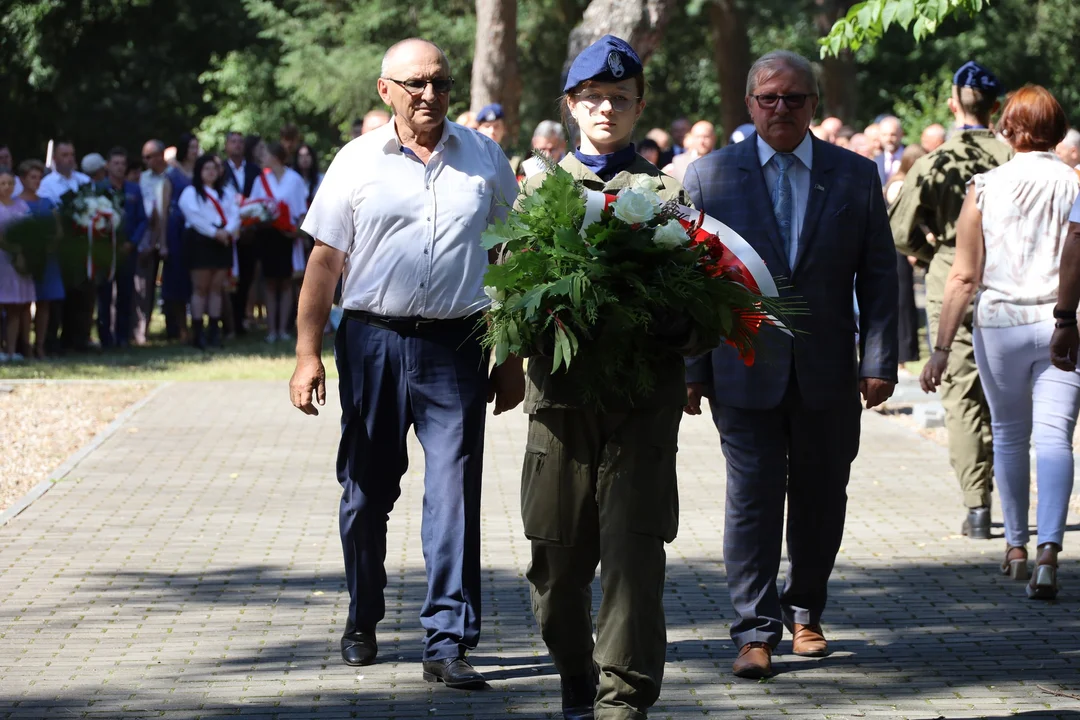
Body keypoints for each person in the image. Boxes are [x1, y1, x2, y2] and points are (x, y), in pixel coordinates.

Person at [289, 37, 522, 689]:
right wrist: (307, 355)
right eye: (415, 83)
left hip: (459, 344)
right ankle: (363, 615)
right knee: (367, 492)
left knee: (453, 493)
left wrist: (512, 356)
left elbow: (512, 255)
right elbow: (324, 265)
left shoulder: (485, 158)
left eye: (441, 82)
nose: (430, 94)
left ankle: (447, 639)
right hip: (372, 343)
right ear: (384, 89)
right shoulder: (357, 162)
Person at [683, 49, 898, 679]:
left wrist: (880, 358)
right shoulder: (709, 177)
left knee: (821, 497)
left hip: (830, 370)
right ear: (750, 104)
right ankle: (754, 630)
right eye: (769, 98)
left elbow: (880, 276)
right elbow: (692, 284)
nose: (781, 108)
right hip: (742, 370)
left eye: (794, 99)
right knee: (751, 501)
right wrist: (693, 372)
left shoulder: (854, 175)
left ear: (813, 106)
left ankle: (806, 611)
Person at [516, 34, 694, 720]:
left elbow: (709, 302)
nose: (606, 110)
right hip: (561, 412)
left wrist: (675, 325)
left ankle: (623, 703)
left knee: (633, 568)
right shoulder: (538, 192)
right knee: (555, 577)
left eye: (619, 99)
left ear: (639, 105)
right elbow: (504, 296)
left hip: (641, 411)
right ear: (570, 106)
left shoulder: (667, 194)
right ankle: (575, 676)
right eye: (592, 98)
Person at [921, 85, 1079, 601]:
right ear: (1056, 129)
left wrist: (941, 347)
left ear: (1008, 128)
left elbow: (963, 276)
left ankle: (1014, 546)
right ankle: (1049, 550)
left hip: (1000, 323)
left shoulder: (984, 186)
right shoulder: (1075, 184)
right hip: (1063, 321)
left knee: (1010, 434)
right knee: (1054, 438)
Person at [889, 61, 1012, 540]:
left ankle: (977, 507)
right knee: (1008, 394)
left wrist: (934, 251)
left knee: (961, 395)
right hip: (1008, 277)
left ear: (952, 105)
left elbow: (900, 230)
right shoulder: (1012, 157)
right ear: (998, 106)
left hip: (949, 274)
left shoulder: (935, 160)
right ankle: (1014, 503)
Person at [178, 153, 240, 349]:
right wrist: (215, 232)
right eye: (206, 168)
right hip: (200, 243)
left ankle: (214, 332)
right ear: (199, 171)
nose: (211, 172)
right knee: (200, 289)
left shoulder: (226, 192)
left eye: (214, 168)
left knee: (216, 289)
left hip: (221, 243)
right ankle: (198, 333)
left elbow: (235, 215)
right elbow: (194, 218)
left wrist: (227, 231)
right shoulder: (190, 192)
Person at [248, 142, 307, 342]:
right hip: (267, 235)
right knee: (270, 283)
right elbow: (254, 207)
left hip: (288, 237)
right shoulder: (260, 180)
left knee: (287, 283)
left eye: (265, 154)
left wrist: (297, 232)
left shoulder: (294, 179)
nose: (262, 157)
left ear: (275, 157)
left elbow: (301, 211)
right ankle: (271, 329)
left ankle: (284, 329)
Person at [884, 145, 929, 371]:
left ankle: (905, 354)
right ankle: (900, 356)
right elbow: (902, 223)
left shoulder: (901, 182)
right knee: (900, 302)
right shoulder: (898, 185)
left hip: (901, 250)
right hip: (897, 252)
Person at [98, 148, 147, 348]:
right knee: (104, 295)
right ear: (108, 166)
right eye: (115, 163)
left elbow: (143, 219)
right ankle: (105, 337)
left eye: (122, 163)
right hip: (105, 250)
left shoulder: (134, 190)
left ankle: (123, 336)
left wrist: (132, 242)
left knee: (126, 294)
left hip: (127, 249)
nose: (119, 167)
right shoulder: (98, 189)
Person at [17, 159, 63, 358]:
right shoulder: (15, 203)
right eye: (32, 177)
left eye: (39, 177)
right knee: (25, 303)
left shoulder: (47, 202)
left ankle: (41, 345)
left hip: (47, 258)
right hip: (24, 260)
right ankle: (26, 345)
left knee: (45, 302)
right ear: (23, 179)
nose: (36, 181)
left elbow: (58, 229)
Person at [162, 134, 197, 341]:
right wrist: (163, 241)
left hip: (198, 232)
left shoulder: (202, 171)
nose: (195, 150)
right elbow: (164, 208)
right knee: (177, 280)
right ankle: (181, 327)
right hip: (176, 231)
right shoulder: (171, 175)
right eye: (192, 147)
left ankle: (197, 325)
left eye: (196, 147)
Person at [134, 140, 170, 345]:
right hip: (142, 238)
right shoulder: (142, 179)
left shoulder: (171, 177)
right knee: (139, 287)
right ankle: (137, 329)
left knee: (158, 287)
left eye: (150, 156)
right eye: (144, 157)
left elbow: (164, 213)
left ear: (160, 155)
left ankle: (150, 330)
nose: (147, 161)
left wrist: (162, 241)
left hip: (162, 239)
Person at [0, 169, 35, 361]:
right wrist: (13, 248)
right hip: (2, 260)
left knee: (15, 306)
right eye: (3, 183)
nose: (7, 187)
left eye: (10, 183)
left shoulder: (21, 205)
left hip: (20, 261)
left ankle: (12, 351)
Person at [476, 104, 524, 177]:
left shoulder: (513, 162)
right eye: (487, 126)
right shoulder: (471, 155)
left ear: (504, 129)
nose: (492, 131)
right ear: (478, 129)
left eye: (496, 126)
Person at [875, 116, 904, 185]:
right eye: (884, 135)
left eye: (893, 135)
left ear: (901, 134)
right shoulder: (876, 160)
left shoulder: (910, 157)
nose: (888, 139)